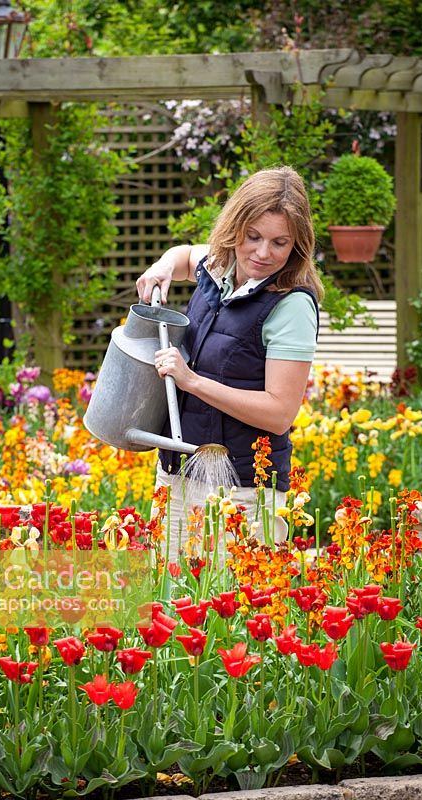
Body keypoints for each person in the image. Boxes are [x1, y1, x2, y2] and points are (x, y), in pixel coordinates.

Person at [136, 166, 323, 552]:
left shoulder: (291, 305)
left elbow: (279, 413)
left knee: (232, 608)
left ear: (297, 245)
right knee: (167, 599)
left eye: (279, 243)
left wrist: (191, 382)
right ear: (234, 227)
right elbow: (186, 255)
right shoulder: (220, 266)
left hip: (243, 493)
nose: (262, 253)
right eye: (252, 236)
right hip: (177, 474)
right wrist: (163, 266)